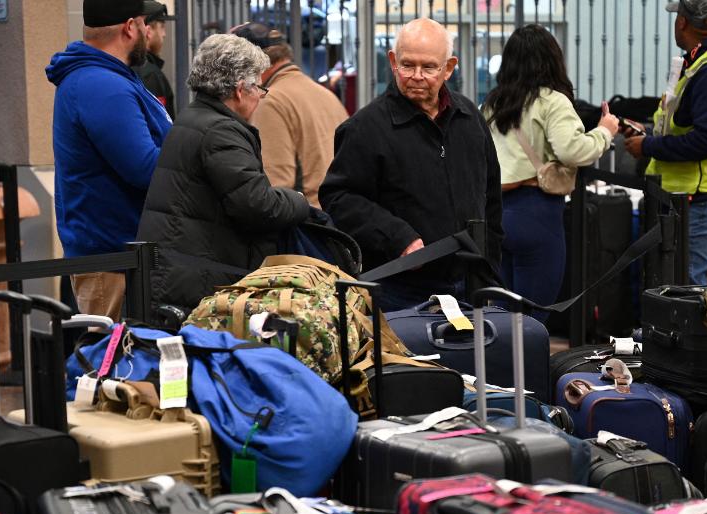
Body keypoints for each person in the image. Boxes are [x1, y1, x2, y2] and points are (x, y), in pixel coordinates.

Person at [319, 18, 501, 311]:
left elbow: (491, 198)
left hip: (468, 283)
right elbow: (339, 198)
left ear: (449, 68)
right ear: (393, 61)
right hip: (399, 289)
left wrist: (488, 268)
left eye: (429, 67)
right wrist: (397, 237)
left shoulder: (470, 118)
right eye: (407, 65)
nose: (416, 76)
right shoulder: (365, 127)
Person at [136, 34, 310, 313]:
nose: (260, 97)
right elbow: (257, 205)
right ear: (241, 89)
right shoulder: (221, 131)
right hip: (197, 278)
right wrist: (299, 200)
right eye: (259, 88)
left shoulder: (193, 118)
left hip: (180, 270)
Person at [47, 0, 172, 321]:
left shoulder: (108, 77)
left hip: (120, 254)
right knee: (115, 364)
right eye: (145, 23)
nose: (148, 31)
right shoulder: (102, 84)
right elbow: (145, 168)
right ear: (130, 28)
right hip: (113, 259)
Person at [483, 25, 618, 319]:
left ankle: (501, 366)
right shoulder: (552, 102)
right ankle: (528, 367)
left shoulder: (493, 103)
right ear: (552, 59)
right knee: (533, 318)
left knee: (502, 317)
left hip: (495, 217)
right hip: (537, 214)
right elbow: (572, 151)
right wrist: (605, 132)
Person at [624, 0, 707, 285]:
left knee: (688, 292)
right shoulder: (698, 63)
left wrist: (648, 147)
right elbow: (683, 127)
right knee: (672, 292)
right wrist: (647, 134)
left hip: (700, 200)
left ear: (682, 22)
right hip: (685, 199)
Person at [230, 22, 348, 208]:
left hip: (309, 225)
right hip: (337, 219)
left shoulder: (270, 101)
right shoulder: (325, 94)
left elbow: (275, 187)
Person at [136, 1, 176, 119]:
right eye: (162, 27)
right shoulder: (150, 75)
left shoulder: (126, 66)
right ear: (148, 32)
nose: (164, 34)